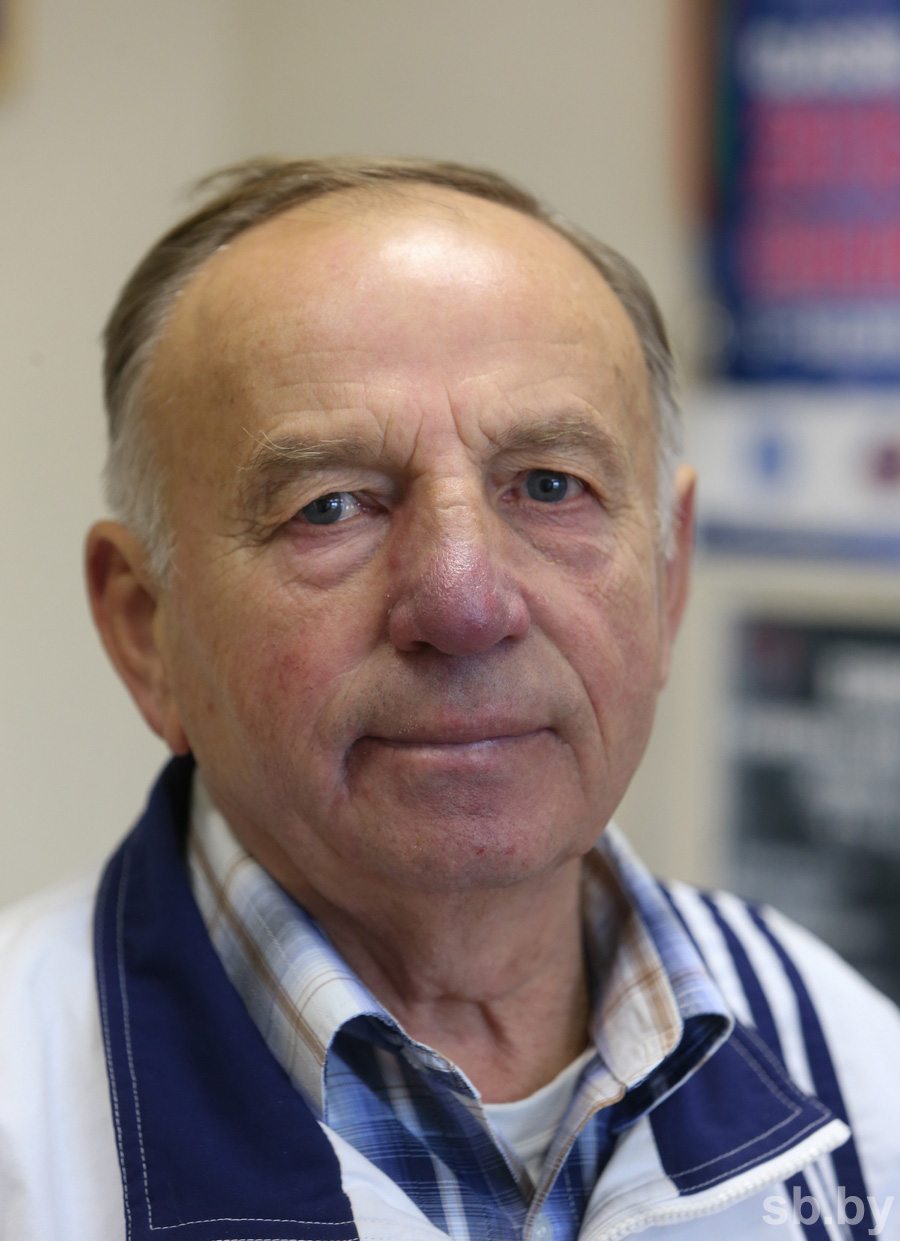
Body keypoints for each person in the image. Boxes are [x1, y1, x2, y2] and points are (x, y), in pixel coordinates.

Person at [1, 158, 898, 1241]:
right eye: (330, 505)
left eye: (551, 486)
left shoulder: (862, 1075)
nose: (466, 602)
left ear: (669, 580)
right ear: (146, 629)